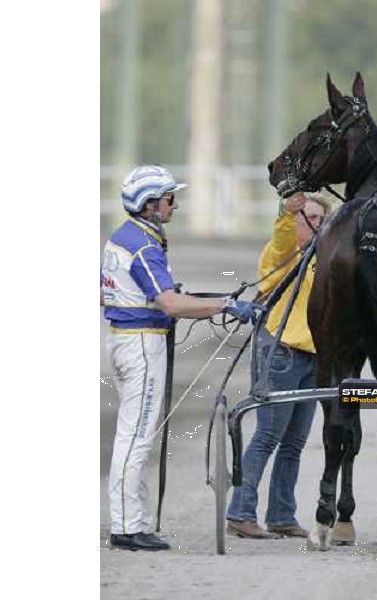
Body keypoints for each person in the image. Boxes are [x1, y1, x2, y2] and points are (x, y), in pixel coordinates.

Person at [101, 165, 261, 551]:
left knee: (135, 433)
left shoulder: (125, 238)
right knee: (136, 436)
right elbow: (170, 303)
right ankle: (125, 527)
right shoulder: (142, 245)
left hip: (129, 338)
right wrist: (224, 304)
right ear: (150, 204)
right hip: (141, 344)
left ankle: (132, 521)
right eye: (170, 198)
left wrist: (205, 302)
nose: (176, 204)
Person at [226, 191, 330, 539]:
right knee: (268, 435)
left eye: (321, 220)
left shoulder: (324, 258)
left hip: (313, 357)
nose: (317, 226)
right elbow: (283, 235)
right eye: (310, 219)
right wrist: (289, 213)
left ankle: (282, 515)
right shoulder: (281, 254)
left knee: (294, 443)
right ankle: (240, 512)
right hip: (280, 351)